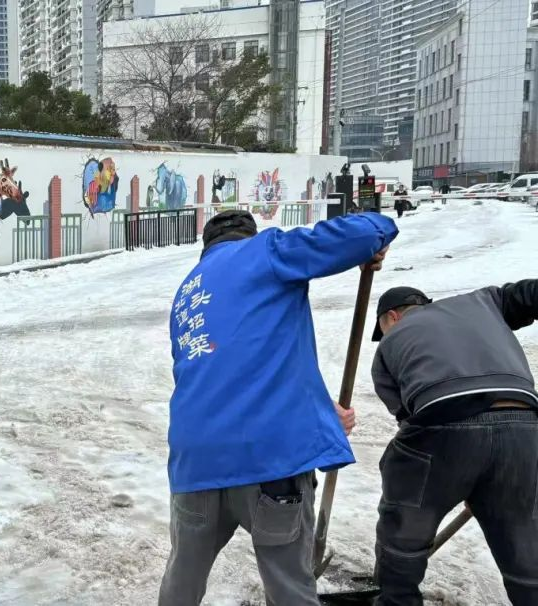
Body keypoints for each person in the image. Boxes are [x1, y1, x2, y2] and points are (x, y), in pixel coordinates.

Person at [159, 209, 398, 606]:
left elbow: (225, 369)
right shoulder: (264, 251)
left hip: (194, 462)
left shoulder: (188, 294)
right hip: (268, 459)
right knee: (290, 588)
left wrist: (318, 410)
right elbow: (358, 234)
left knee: (181, 585)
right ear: (248, 237)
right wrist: (377, 234)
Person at [370, 283, 538, 605]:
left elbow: (409, 420)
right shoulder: (484, 302)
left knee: (404, 519)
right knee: (523, 542)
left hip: (443, 418)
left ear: (391, 317)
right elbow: (530, 295)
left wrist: (458, 475)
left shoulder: (390, 343)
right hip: (525, 424)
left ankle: (397, 597)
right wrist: (482, 483)